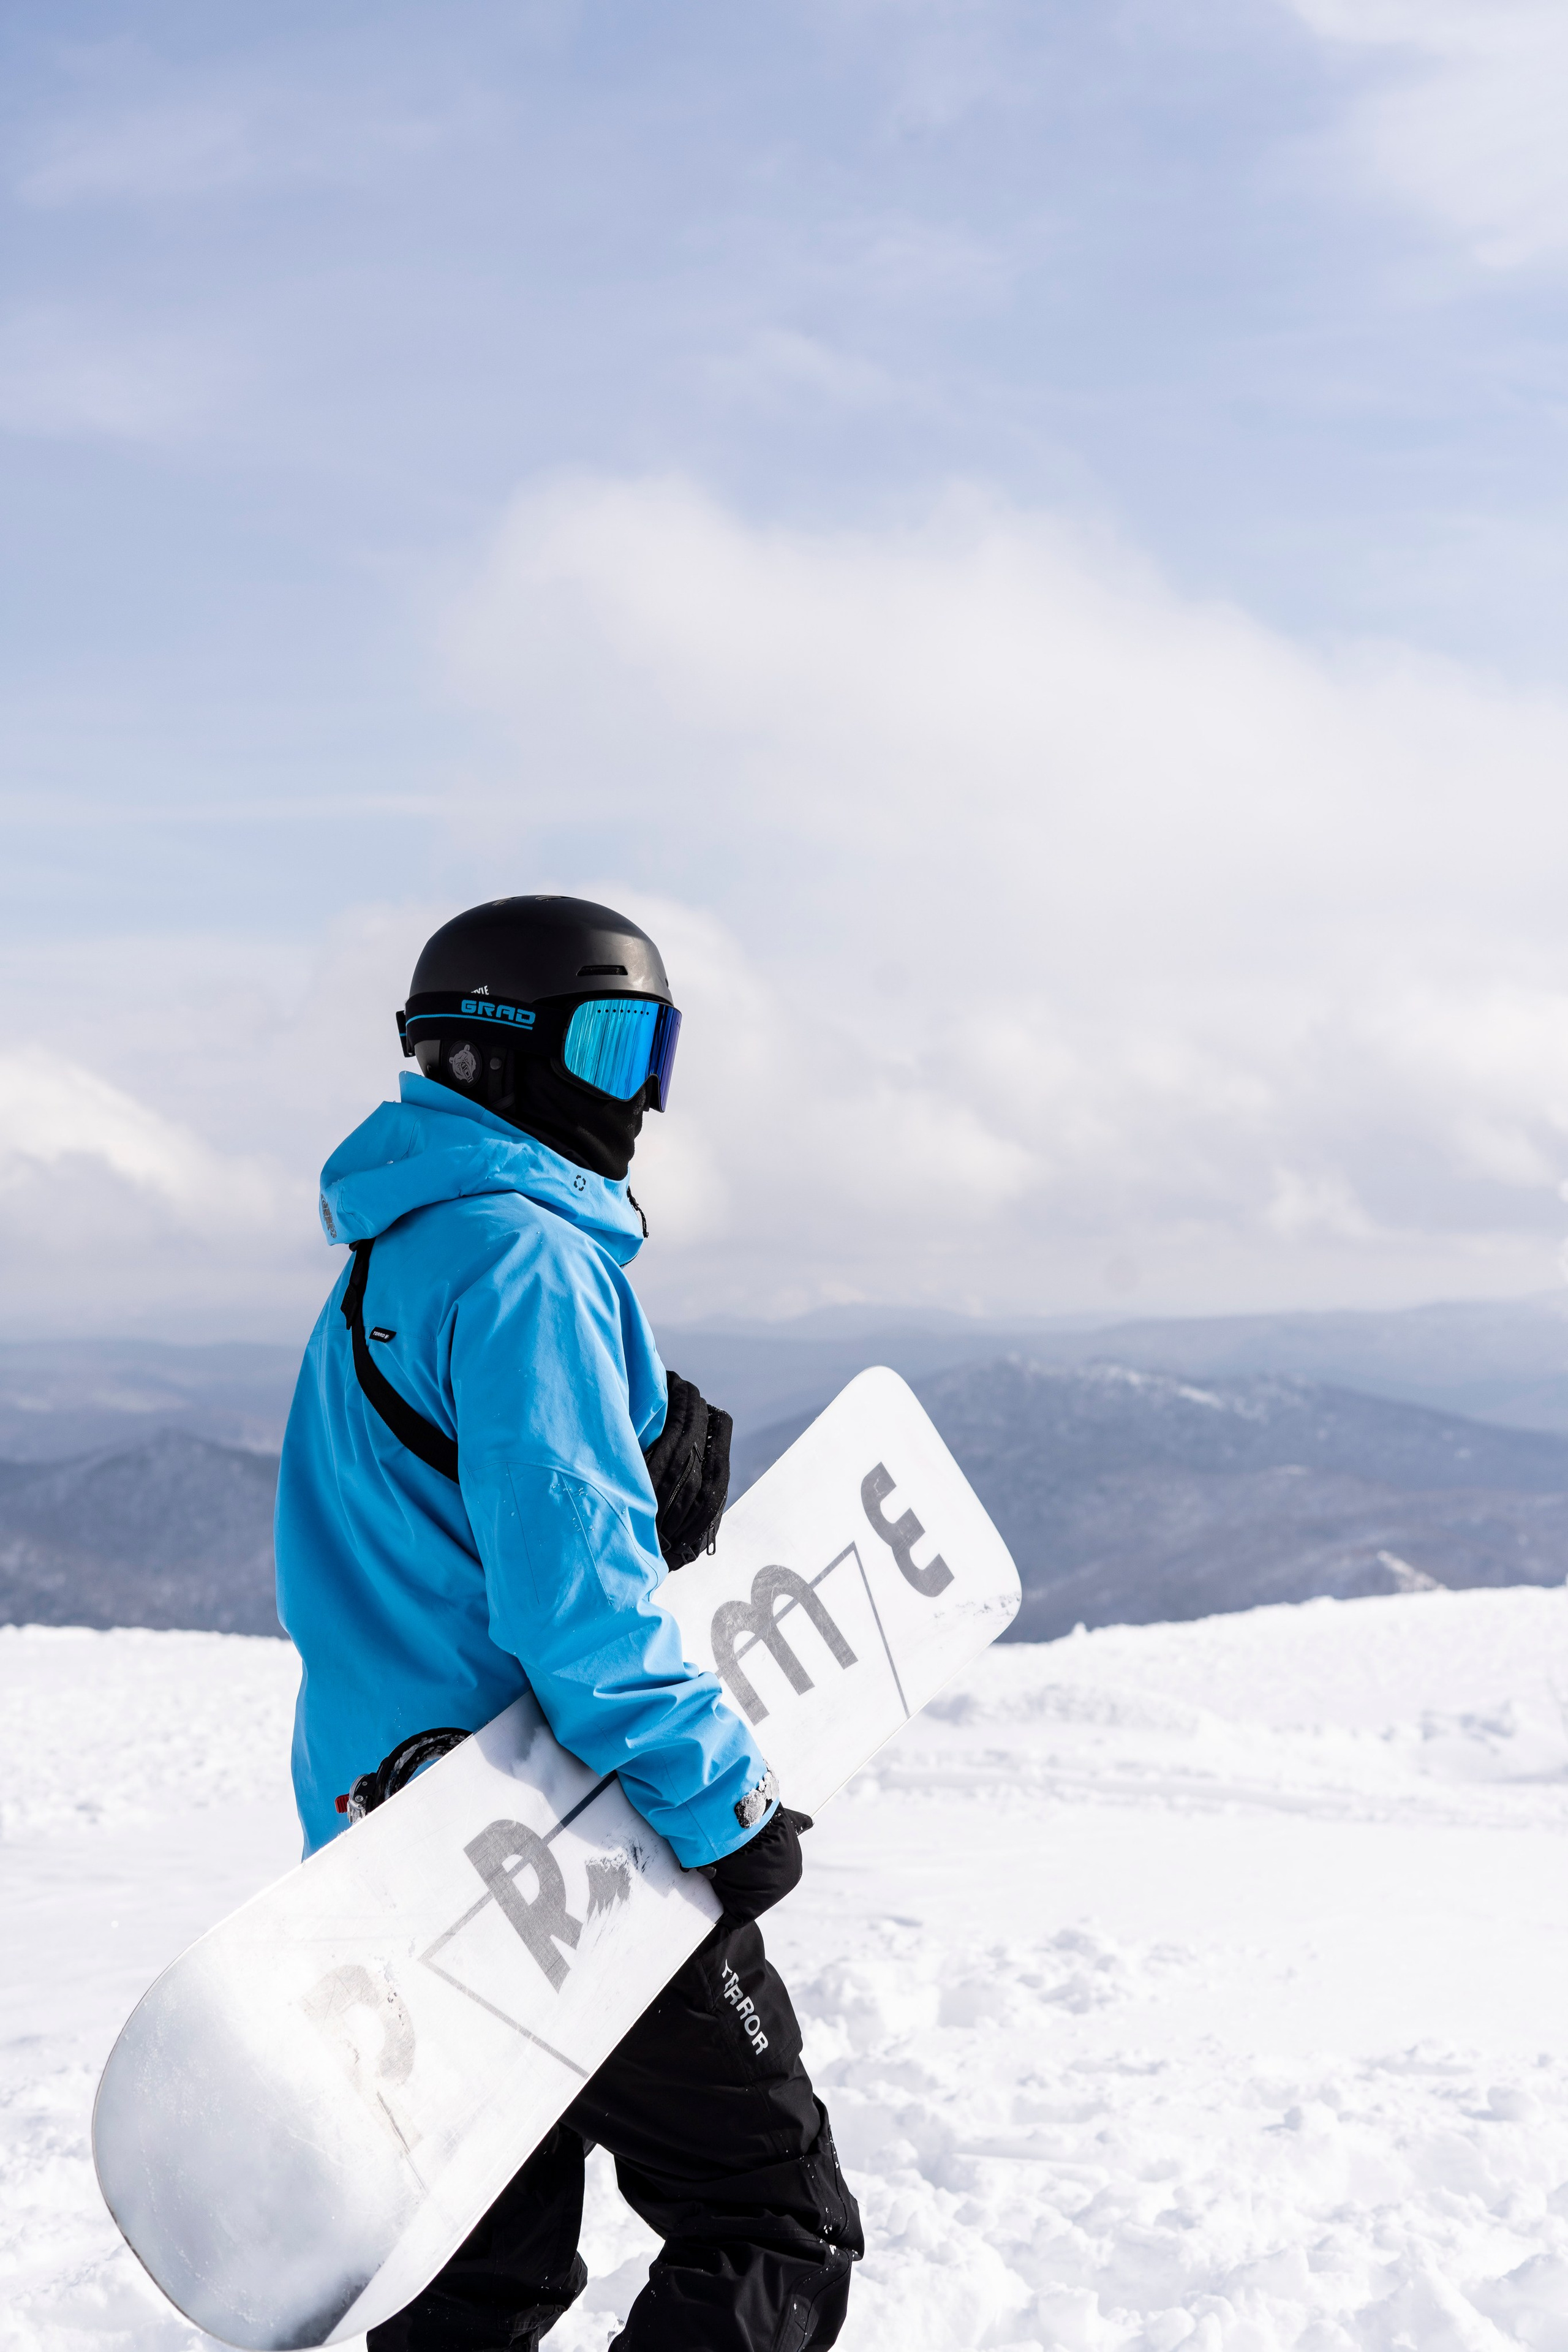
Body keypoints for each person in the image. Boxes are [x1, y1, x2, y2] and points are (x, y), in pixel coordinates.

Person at [274, 894, 861, 2352]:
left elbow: (417, 1549)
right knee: (768, 2232)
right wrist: (720, 1805)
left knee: (482, 2278)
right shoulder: (530, 1263)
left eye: (651, 1051)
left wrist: (634, 1460)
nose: (638, 1100)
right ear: (492, 1058)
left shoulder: (393, 1255)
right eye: (609, 1045)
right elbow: (580, 1620)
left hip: (392, 1835)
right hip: (557, 1837)